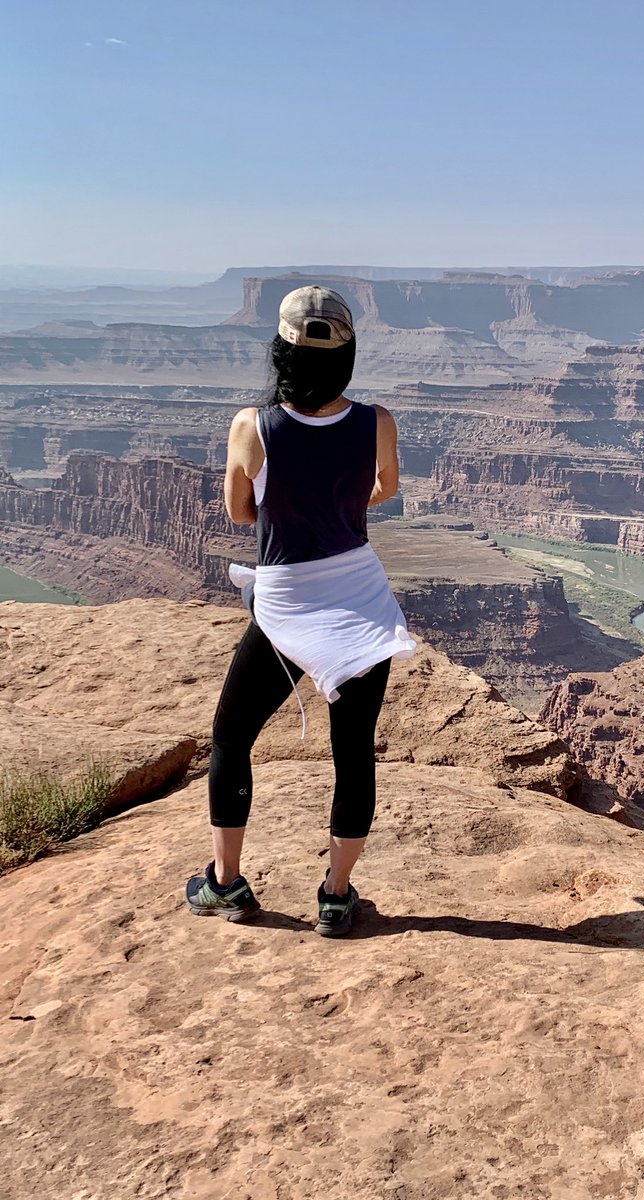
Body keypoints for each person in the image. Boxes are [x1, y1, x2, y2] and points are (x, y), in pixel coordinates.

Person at [185, 285, 417, 935]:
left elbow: (239, 512)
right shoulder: (378, 421)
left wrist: (293, 503)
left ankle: (225, 885)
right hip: (360, 599)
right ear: (347, 354)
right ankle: (337, 897)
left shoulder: (252, 427)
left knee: (232, 737)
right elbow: (384, 488)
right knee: (354, 753)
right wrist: (335, 506)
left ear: (281, 351)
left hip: (286, 603)